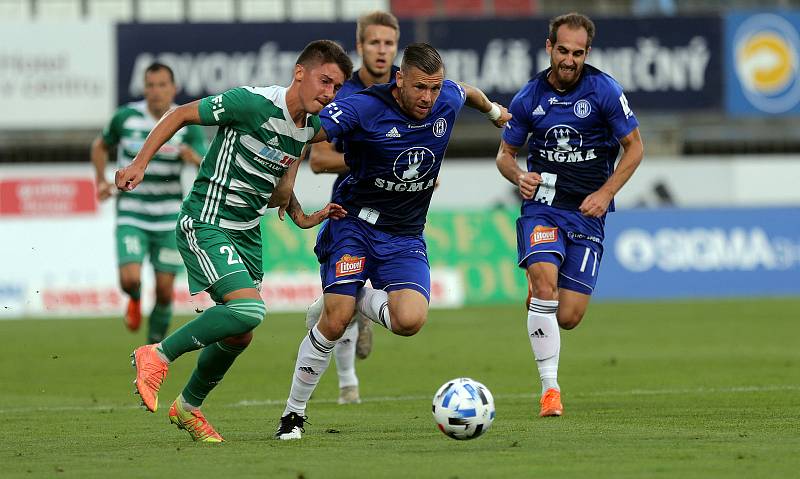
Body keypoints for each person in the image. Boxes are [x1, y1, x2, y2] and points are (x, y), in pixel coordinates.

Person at [114, 40, 353, 443]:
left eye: (336, 88)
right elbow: (181, 114)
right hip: (206, 220)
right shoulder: (251, 103)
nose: (329, 93)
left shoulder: (307, 127)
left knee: (240, 331)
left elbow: (279, 173)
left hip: (246, 234)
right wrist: (140, 162)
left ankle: (188, 408)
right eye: (324, 81)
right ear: (299, 72)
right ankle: (156, 354)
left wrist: (303, 215)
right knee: (248, 310)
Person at [275, 42, 512, 440]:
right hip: (353, 223)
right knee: (333, 320)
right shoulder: (364, 107)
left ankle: (355, 302)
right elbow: (301, 133)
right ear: (400, 79)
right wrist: (288, 187)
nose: (428, 97)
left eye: (434, 88)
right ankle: (293, 416)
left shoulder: (445, 99)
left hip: (405, 234)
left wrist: (492, 112)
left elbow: (466, 90)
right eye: (420, 87)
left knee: (410, 320)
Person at [496, 13, 644, 418]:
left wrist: (605, 192)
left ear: (587, 53)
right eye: (563, 50)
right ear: (549, 47)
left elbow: (635, 148)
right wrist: (519, 177)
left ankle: (541, 297)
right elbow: (505, 156)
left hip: (587, 212)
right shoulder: (529, 97)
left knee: (569, 316)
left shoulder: (605, 91)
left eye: (578, 53)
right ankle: (550, 391)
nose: (569, 60)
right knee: (545, 287)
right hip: (544, 205)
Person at [306, 10, 401, 406]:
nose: (382, 51)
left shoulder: (409, 84)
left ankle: (346, 304)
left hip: (400, 209)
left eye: (389, 43)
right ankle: (348, 383)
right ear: (360, 46)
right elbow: (318, 159)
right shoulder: (342, 92)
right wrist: (379, 159)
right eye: (374, 43)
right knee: (340, 309)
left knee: (385, 306)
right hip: (351, 208)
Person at [91, 62, 207, 343]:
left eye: (161, 85)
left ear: (173, 88)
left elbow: (207, 163)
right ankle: (133, 298)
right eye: (150, 85)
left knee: (165, 291)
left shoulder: (186, 122)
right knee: (130, 279)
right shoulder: (126, 117)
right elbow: (100, 146)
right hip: (132, 212)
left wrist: (193, 158)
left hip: (168, 217)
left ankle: (152, 349)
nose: (155, 91)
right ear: (144, 88)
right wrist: (102, 182)